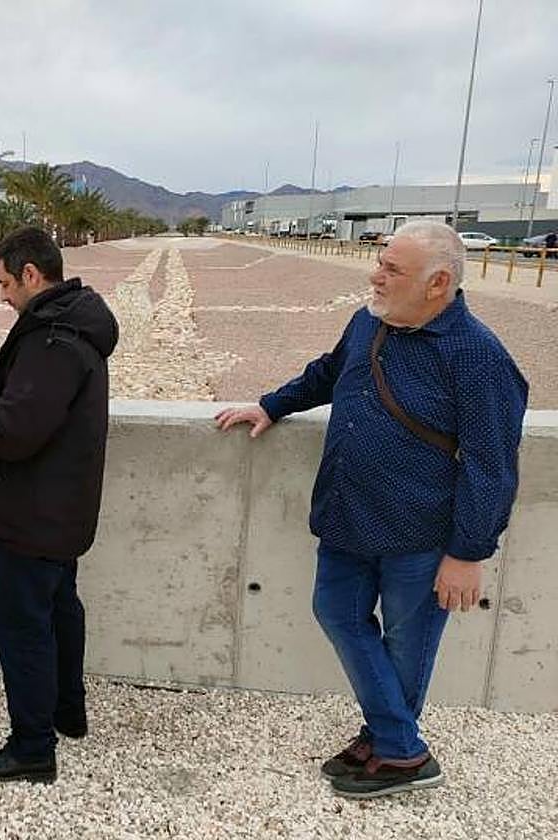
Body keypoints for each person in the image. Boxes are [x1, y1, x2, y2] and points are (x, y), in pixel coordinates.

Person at [216, 220, 528, 799]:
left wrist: (468, 554)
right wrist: (271, 405)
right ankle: (395, 740)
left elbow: (492, 466)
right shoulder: (369, 322)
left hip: (420, 534)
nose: (375, 276)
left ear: (438, 284)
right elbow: (329, 373)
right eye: (380, 263)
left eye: (392, 269)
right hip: (347, 514)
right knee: (336, 612)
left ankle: (398, 750)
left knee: (408, 646)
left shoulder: (478, 357)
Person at [0, 226, 118, 784]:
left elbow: (11, 434)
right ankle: (67, 713)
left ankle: (32, 748)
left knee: (24, 629)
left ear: (31, 274)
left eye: (5, 284)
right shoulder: (72, 326)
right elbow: (33, 404)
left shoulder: (52, 339)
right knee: (59, 611)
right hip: (59, 512)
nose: (3, 295)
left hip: (29, 518)